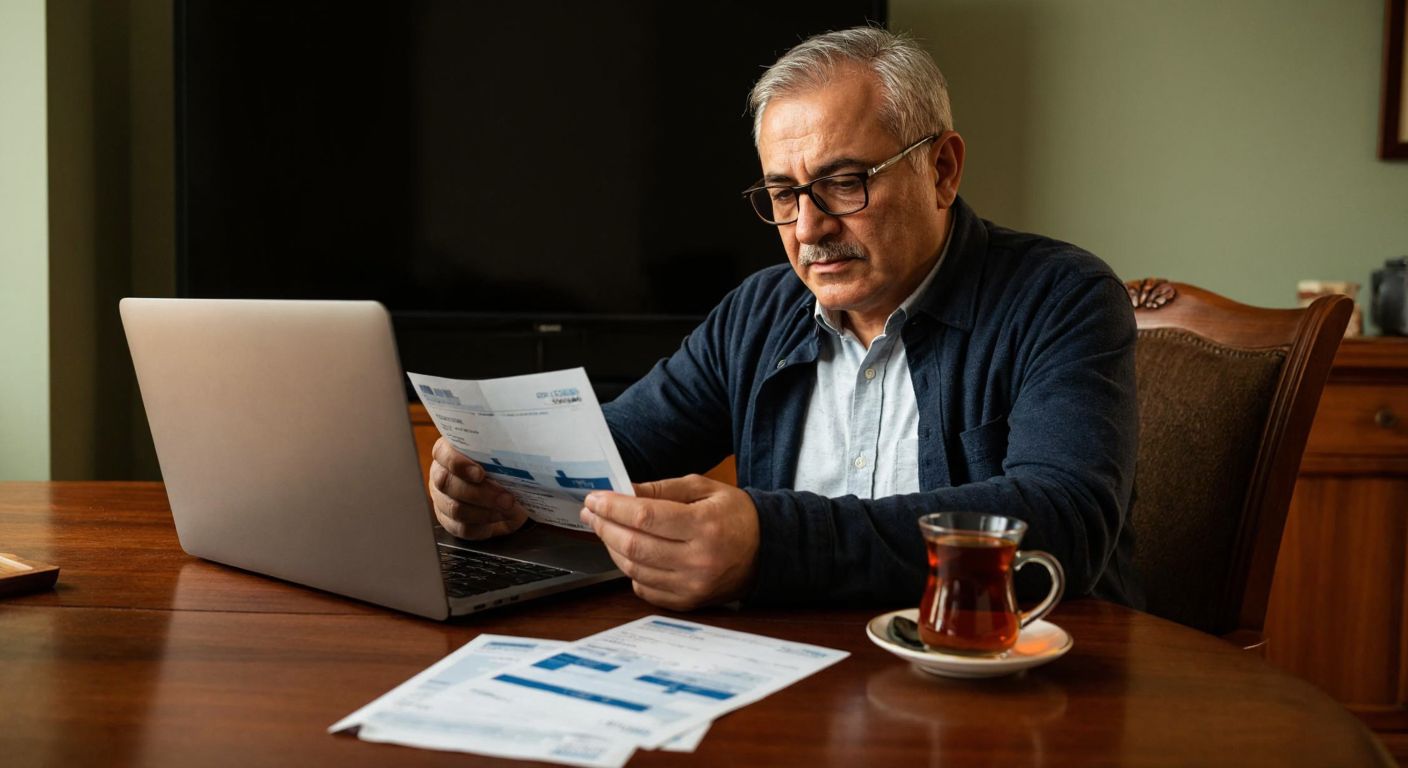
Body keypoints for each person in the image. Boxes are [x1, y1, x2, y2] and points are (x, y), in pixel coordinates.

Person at [428, 26, 1141, 612]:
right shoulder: (759, 313)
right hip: (792, 682)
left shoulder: (1061, 296)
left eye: (842, 183)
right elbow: (611, 455)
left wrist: (770, 542)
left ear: (942, 171)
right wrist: (500, 478)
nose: (807, 228)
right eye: (782, 192)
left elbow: (1063, 519)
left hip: (1008, 687)